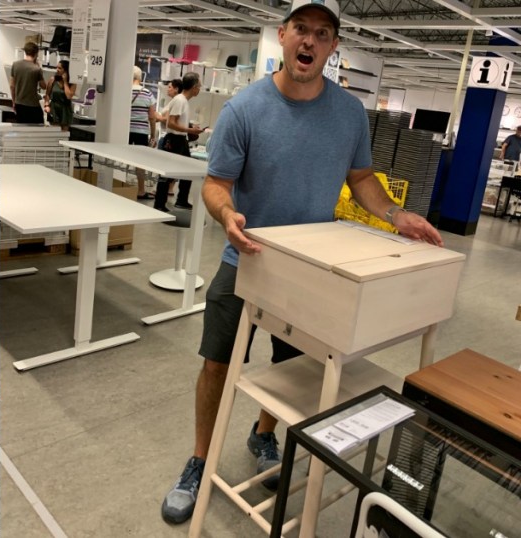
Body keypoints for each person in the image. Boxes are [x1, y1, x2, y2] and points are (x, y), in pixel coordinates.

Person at [160, 0, 443, 525]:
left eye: (323, 33)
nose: (310, 42)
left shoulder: (348, 114)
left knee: (294, 368)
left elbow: (360, 179)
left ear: (333, 46)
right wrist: (228, 216)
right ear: (284, 35)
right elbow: (216, 184)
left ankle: (262, 432)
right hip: (244, 261)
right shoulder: (244, 109)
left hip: (308, 270)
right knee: (218, 364)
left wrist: (396, 214)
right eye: (302, 30)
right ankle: (199, 460)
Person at [155, 74, 205, 211]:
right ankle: (159, 204)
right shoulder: (180, 100)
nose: (199, 89)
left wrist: (189, 129)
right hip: (174, 140)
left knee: (189, 170)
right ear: (194, 87)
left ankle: (182, 200)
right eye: (199, 87)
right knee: (167, 173)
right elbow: (171, 123)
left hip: (181, 139)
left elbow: (167, 115)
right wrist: (190, 129)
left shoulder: (181, 101)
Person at [130, 65, 158, 200]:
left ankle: (118, 185)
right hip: (141, 131)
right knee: (139, 162)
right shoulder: (147, 93)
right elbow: (152, 117)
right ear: (140, 77)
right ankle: (141, 190)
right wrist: (153, 135)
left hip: (125, 130)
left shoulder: (124, 92)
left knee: (119, 157)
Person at [10, 41, 46, 124]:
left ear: (25, 51)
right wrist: (40, 69)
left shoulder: (15, 65)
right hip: (32, 105)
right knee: (37, 128)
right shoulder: (36, 68)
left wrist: (14, 101)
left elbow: (12, 86)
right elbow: (43, 86)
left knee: (22, 129)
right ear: (36, 53)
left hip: (19, 103)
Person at [43, 60, 75, 131]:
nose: (57, 70)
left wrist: (65, 82)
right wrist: (46, 105)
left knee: (64, 135)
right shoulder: (53, 80)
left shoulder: (72, 83)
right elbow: (47, 94)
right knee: (55, 134)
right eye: (57, 68)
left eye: (60, 68)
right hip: (54, 109)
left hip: (65, 110)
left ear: (66, 70)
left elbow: (69, 96)